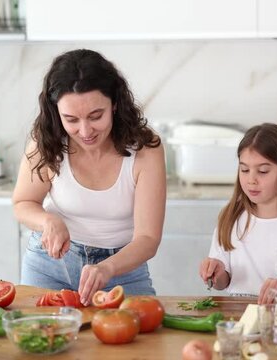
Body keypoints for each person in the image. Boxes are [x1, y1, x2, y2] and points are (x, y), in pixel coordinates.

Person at [12, 49, 166, 306]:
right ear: (55, 112)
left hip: (122, 270)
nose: (85, 131)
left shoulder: (144, 149)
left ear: (114, 104)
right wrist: (47, 221)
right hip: (50, 266)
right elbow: (22, 204)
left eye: (96, 116)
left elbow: (148, 239)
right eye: (71, 119)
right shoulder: (46, 142)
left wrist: (107, 268)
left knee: (138, 341)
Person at [199, 123, 277, 304]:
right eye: (244, 170)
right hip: (239, 317)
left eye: (263, 171)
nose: (251, 180)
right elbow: (223, 282)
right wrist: (216, 273)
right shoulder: (231, 217)